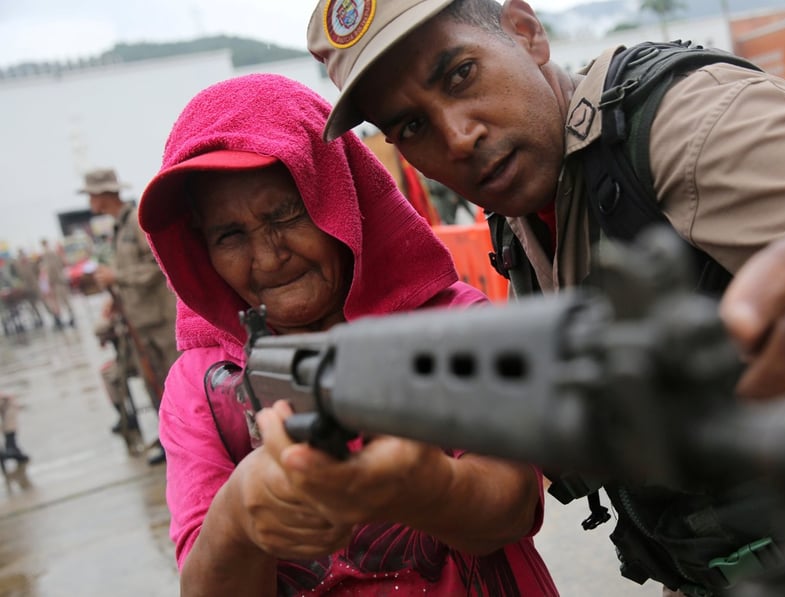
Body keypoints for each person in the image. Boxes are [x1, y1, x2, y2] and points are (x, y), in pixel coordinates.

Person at [306, 1, 785, 595]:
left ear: (525, 32)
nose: (456, 138)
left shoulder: (685, 123)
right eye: (411, 127)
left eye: (461, 75)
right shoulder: (523, 206)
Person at [136, 72, 557, 596]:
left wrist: (428, 488)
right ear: (199, 249)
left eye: (286, 215)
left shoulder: (453, 326)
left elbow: (514, 506)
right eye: (229, 235)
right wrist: (240, 515)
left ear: (339, 199)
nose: (268, 257)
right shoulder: (200, 387)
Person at [82, 168, 178, 466]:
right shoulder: (118, 227)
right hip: (140, 321)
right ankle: (170, 441)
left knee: (173, 382)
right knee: (154, 383)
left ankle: (184, 440)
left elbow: (158, 265)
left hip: (159, 320)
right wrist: (117, 298)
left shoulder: (136, 223)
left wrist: (117, 276)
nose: (89, 201)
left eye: (91, 195)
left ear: (103, 195)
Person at [38, 238, 75, 329]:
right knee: (60, 302)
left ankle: (70, 318)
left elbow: (52, 270)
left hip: (57, 282)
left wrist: (50, 282)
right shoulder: (52, 254)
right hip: (57, 282)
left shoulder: (48, 255)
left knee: (63, 301)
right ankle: (65, 318)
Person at [0, 391, 29, 464]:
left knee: (10, 445)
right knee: (12, 444)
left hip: (9, 427)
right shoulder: (8, 402)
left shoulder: (7, 403)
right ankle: (20, 457)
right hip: (10, 427)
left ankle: (9, 456)